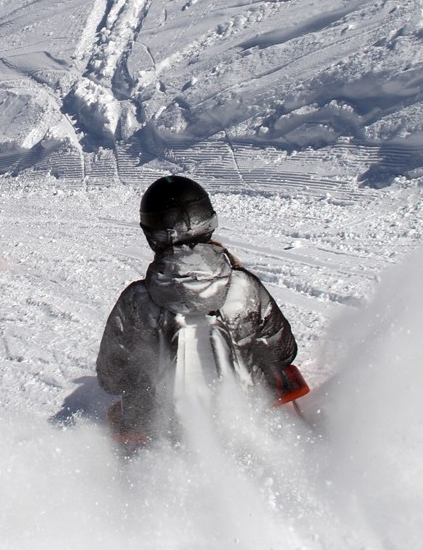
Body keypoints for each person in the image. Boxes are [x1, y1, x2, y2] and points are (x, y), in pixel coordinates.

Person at [96, 175, 297, 443]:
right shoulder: (244, 287)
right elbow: (283, 352)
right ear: (208, 221)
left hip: (159, 436)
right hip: (244, 425)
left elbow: (110, 377)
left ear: (152, 233)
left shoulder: (136, 300)